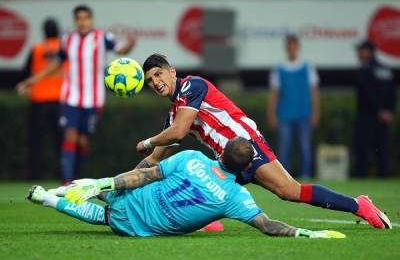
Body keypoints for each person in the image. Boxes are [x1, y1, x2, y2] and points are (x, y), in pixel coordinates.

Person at [134, 53, 391, 230]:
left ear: (172, 72)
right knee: (186, 181)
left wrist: (146, 141)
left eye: (159, 74)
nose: (156, 82)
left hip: (245, 146)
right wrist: (113, 185)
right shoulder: (173, 114)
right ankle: (204, 219)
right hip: (227, 160)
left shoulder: (192, 86)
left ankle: (359, 205)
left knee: (289, 191)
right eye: (150, 81)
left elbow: (178, 132)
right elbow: (155, 160)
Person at [27, 137, 345, 239]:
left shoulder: (193, 157)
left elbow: (146, 176)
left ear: (220, 153)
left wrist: (106, 182)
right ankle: (47, 199)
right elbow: (268, 226)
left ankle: (62, 190)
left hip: (132, 197)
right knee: (102, 216)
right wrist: (305, 233)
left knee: (120, 184)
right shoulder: (236, 197)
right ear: (248, 169)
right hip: (133, 227)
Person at [17, 5, 135, 184]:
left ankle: (76, 177)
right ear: (75, 21)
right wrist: (31, 81)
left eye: (85, 18)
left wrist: (129, 45)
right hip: (70, 97)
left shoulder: (102, 38)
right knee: (69, 135)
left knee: (81, 141)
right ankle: (67, 182)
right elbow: (55, 65)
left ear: (91, 20)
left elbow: (120, 50)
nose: (82, 22)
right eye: (79, 18)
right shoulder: (68, 40)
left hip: (93, 99)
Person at [267, 34, 320, 179]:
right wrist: (272, 115)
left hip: (304, 114)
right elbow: (274, 94)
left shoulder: (308, 68)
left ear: (297, 47)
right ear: (286, 48)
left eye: (293, 46)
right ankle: (285, 177)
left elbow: (314, 92)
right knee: (284, 148)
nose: (291, 49)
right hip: (284, 115)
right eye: (289, 46)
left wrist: (315, 113)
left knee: (304, 147)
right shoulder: (278, 69)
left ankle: (305, 175)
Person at [22, 18, 63, 180]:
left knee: (36, 142)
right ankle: (64, 175)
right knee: (60, 142)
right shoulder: (63, 49)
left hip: (39, 101)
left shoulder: (37, 49)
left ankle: (34, 175)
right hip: (60, 100)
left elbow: (25, 73)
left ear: (44, 32)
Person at [354, 41, 396, 177]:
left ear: (369, 52)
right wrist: (389, 111)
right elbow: (392, 93)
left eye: (361, 50)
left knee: (363, 148)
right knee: (382, 148)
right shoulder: (385, 69)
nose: (359, 53)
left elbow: (369, 93)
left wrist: (379, 111)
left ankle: (362, 177)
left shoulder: (364, 70)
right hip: (383, 116)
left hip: (367, 115)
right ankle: (384, 176)